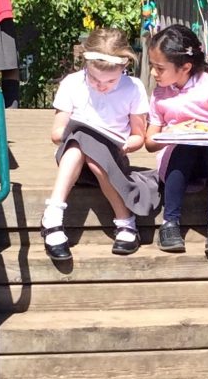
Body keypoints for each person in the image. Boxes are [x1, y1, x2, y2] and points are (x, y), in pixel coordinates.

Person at [42, 28, 159, 260]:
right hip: (73, 160)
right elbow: (56, 134)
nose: (101, 85)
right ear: (86, 65)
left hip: (112, 160)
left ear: (124, 67)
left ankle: (52, 218)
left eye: (111, 81)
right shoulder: (72, 83)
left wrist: (126, 145)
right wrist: (79, 130)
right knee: (81, 140)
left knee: (94, 153)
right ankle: (125, 222)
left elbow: (138, 135)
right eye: (94, 79)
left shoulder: (133, 87)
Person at [145, 24, 208, 254]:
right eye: (152, 66)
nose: (153, 73)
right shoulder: (160, 94)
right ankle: (170, 222)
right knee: (184, 148)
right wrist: (171, 133)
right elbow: (150, 143)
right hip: (178, 162)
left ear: (185, 67)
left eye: (159, 68)